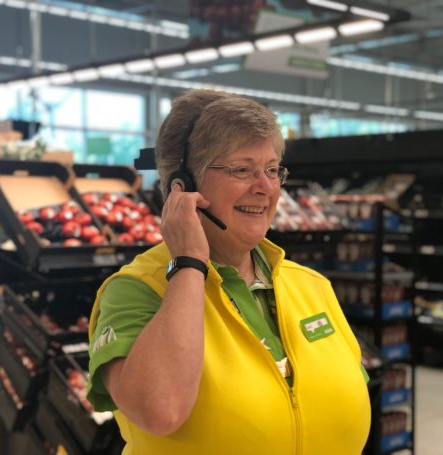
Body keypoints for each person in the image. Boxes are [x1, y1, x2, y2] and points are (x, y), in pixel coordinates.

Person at [87, 88, 371, 454]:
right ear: (183, 187)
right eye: (242, 170)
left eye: (272, 170)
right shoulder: (137, 289)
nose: (266, 188)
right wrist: (189, 263)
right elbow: (159, 410)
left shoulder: (310, 285)